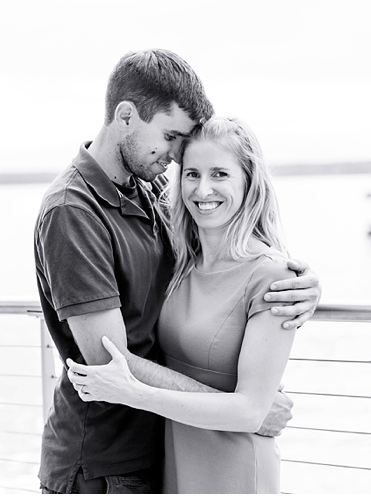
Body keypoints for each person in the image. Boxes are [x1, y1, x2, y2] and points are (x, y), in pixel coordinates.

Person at [33, 49, 320, 494]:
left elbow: (230, 249)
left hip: (168, 448)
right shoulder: (74, 211)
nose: (174, 157)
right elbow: (111, 362)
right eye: (170, 137)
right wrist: (249, 410)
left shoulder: (152, 190)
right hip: (105, 461)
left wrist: (303, 285)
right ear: (125, 116)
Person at [67, 117, 299, 493]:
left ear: (249, 181)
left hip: (234, 470)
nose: (203, 189)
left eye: (220, 174)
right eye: (191, 173)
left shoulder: (272, 277)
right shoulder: (181, 263)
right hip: (176, 463)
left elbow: (251, 412)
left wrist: (135, 393)